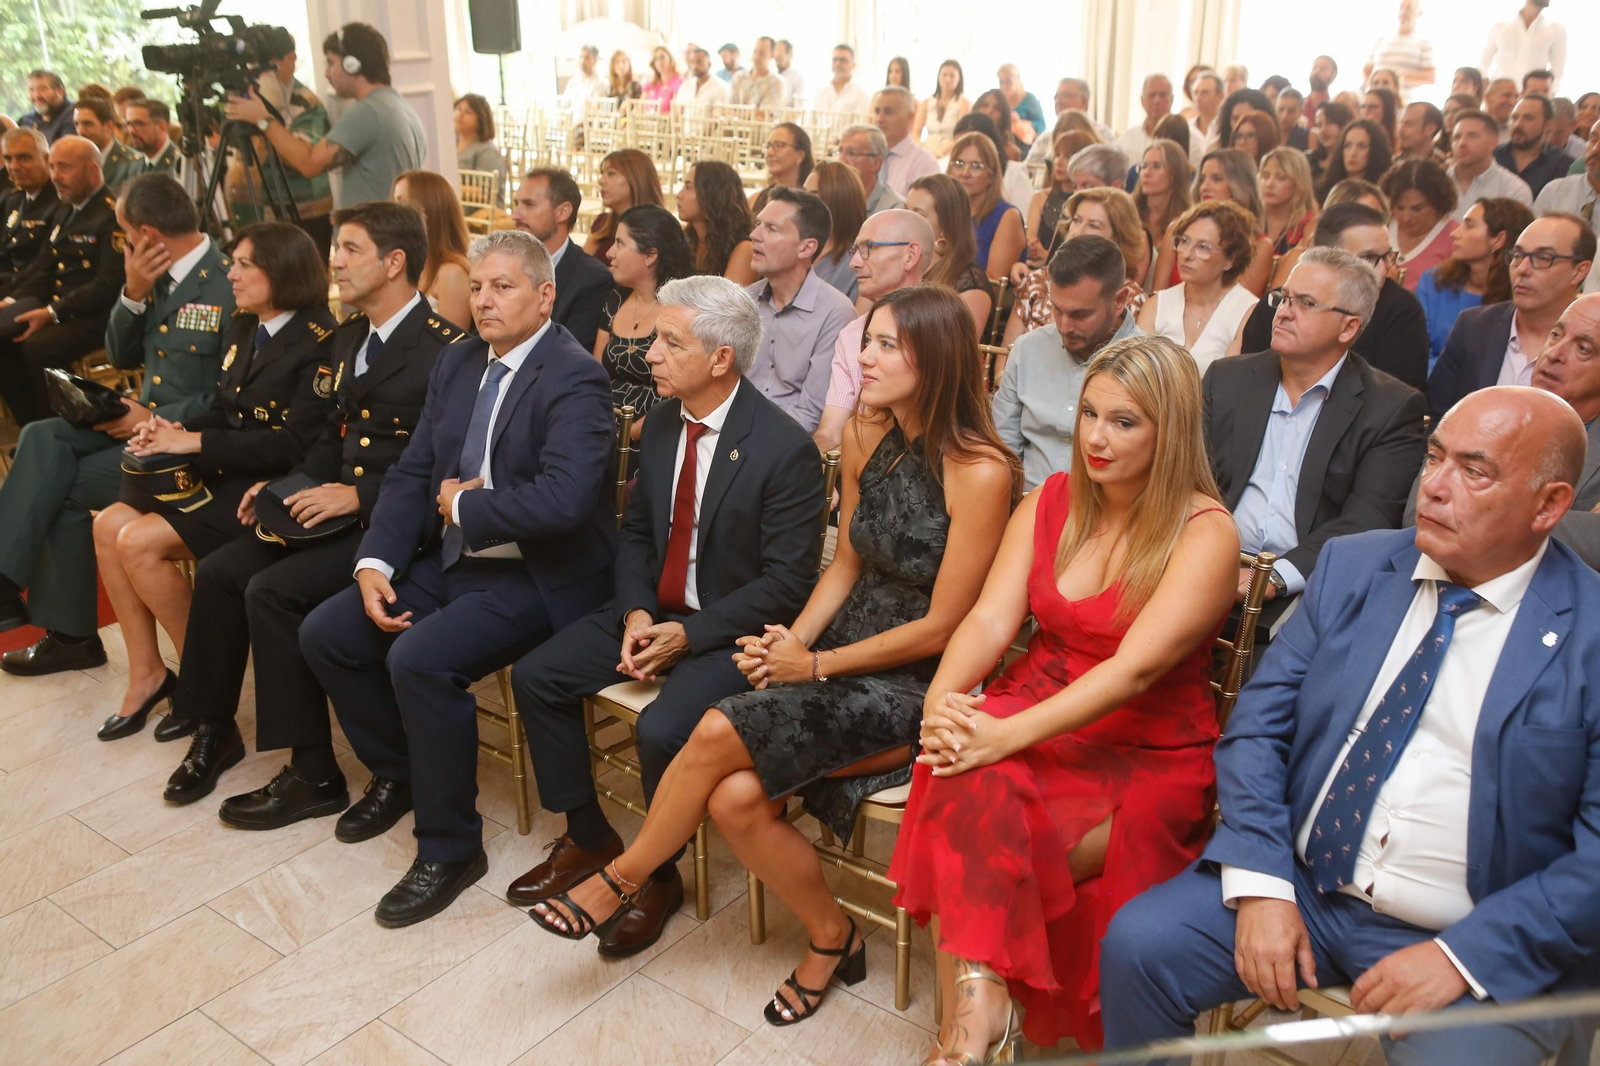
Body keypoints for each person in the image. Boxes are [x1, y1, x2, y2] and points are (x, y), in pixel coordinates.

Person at [1103, 383, 1598, 1065]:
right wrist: (1265, 885)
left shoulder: (1589, 635)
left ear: (1550, 505)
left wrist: (1461, 956)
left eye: (1474, 471)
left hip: (1477, 928)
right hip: (1304, 883)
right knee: (1140, 946)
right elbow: (1257, 731)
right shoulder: (1357, 566)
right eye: (1434, 458)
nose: (1436, 486)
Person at [893, 330, 1239, 1056]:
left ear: (1169, 430)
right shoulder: (1051, 499)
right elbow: (990, 618)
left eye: (1124, 421)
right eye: (1090, 414)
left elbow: (1133, 672)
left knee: (969, 817)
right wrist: (942, 704)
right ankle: (978, 1011)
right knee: (950, 767)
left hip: (1143, 748)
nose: (1097, 439)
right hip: (1036, 702)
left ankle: (965, 1024)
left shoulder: (1205, 532)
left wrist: (999, 735)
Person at [300, 230, 616, 928]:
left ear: (545, 296)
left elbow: (565, 500)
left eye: (503, 287)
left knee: (418, 660)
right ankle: (404, 771)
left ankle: (449, 847)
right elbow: (415, 471)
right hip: (452, 559)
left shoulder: (573, 375)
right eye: (476, 286)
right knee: (328, 633)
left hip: (535, 576)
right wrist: (376, 563)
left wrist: (467, 504)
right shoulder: (460, 360)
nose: (483, 300)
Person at [505, 274, 824, 956]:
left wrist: (689, 634)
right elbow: (639, 536)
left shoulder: (784, 451)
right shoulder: (660, 425)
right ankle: (591, 836)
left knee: (662, 729)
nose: (649, 354)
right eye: (654, 339)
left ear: (720, 359)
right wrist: (637, 613)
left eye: (669, 342)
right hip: (655, 611)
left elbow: (786, 584)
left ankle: (655, 878)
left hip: (725, 630)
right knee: (537, 677)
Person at [185, 202, 459, 828]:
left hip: (401, 524)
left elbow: (446, 464)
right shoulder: (348, 337)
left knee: (272, 592)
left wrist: (360, 496)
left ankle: (314, 771)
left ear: (395, 263)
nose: (333, 260)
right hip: (334, 508)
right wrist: (287, 486)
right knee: (224, 570)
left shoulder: (446, 349)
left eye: (350, 249)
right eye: (336, 248)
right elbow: (327, 441)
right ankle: (211, 724)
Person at [97, 220, 335, 763]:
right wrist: (168, 428)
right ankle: (150, 674)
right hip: (223, 470)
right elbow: (228, 410)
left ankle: (200, 691)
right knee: (107, 524)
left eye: (244, 264)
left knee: (136, 541)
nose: (231, 272)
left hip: (266, 485)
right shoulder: (247, 325)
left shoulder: (320, 339)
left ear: (283, 272)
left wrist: (195, 442)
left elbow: (292, 444)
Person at [0, 174, 231, 674]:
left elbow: (236, 394)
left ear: (147, 233)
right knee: (41, 434)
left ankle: (71, 635)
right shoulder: (153, 276)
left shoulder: (228, 281)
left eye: (125, 233)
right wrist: (131, 292)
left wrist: (158, 417)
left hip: (182, 442)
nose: (124, 244)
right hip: (136, 424)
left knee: (59, 486)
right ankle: (6, 586)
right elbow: (120, 354)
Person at [1207, 246, 1427, 638]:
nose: (1285, 311)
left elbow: (1368, 520)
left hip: (1308, 588)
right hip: (1209, 565)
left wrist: (1272, 577)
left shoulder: (1391, 408)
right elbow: (1188, 478)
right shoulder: (1226, 379)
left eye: (1306, 303)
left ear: (1348, 328)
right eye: (1283, 298)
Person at [223, 22, 426, 212]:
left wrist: (263, 120)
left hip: (372, 240)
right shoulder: (398, 105)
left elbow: (310, 164)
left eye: (330, 63)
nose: (327, 73)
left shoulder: (369, 112)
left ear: (352, 65)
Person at [996, 235, 1144, 490]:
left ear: (1120, 300)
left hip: (1108, 517)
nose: (1064, 326)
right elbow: (1002, 446)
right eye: (1057, 309)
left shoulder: (1151, 366)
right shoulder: (1029, 348)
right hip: (1024, 506)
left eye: (1080, 314)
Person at [0, 136, 124, 426]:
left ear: (93, 171)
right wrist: (9, 302)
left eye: (64, 168)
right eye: (53, 167)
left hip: (98, 314)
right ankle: (30, 426)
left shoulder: (112, 213)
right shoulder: (67, 209)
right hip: (62, 308)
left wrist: (52, 313)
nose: (55, 176)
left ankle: (60, 427)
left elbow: (108, 283)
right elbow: (43, 268)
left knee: (37, 346)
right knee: (4, 341)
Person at [1428, 213, 1594, 418]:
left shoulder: (1591, 344)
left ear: (1579, 271)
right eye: (1517, 256)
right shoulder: (1473, 327)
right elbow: (1437, 416)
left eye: (1543, 258)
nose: (1522, 269)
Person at [814, 208, 935, 453]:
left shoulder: (940, 330)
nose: (854, 262)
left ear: (910, 256)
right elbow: (830, 433)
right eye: (855, 250)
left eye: (869, 248)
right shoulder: (851, 335)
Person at [745, 187, 858, 433]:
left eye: (771, 229)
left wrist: (751, 443)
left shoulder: (835, 313)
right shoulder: (745, 300)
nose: (754, 235)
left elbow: (811, 413)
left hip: (787, 444)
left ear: (806, 248)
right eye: (758, 224)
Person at [1006, 187, 1148, 345]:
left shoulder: (1130, 298)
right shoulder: (1036, 281)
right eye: (1076, 220)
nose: (1077, 231)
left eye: (1093, 225)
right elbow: (1006, 356)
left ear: (1118, 238)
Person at [594, 203, 694, 428]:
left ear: (650, 255)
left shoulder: (680, 310)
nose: (610, 252)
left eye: (620, 243)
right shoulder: (615, 300)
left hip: (659, 432)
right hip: (603, 424)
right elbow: (596, 374)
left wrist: (627, 436)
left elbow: (681, 392)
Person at [1138, 199, 1260, 372]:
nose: (1186, 254)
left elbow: (1231, 385)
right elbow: (1138, 375)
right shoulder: (1157, 304)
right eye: (1185, 241)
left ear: (1230, 260)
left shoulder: (1247, 312)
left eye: (1203, 247)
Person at [1415, 197, 1536, 372]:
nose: (1454, 233)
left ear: (1498, 239)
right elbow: (1417, 354)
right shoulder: (1434, 282)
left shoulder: (1519, 292)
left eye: (1469, 225)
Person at [244, 31, 334, 249]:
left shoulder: (306, 102)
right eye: (256, 63)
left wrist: (262, 120)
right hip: (253, 215)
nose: (263, 71)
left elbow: (303, 160)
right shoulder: (244, 99)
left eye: (271, 63)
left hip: (304, 215)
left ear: (291, 59)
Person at [510, 167, 614, 352]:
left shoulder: (592, 280)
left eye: (529, 204)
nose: (515, 215)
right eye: (516, 203)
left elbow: (568, 356)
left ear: (563, 212)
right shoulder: (503, 265)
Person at [1530, 294, 1600, 566]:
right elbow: (1418, 512)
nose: (1554, 353)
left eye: (1582, 348)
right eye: (1556, 334)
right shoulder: (1485, 410)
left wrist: (1479, 513)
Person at [1153, 149, 1273, 297]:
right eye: (1202, 179)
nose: (1204, 187)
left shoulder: (1260, 245)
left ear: (1240, 185)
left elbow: (1237, 303)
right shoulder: (1176, 230)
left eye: (1216, 179)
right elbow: (1157, 294)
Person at [906, 173, 994, 337]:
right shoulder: (899, 263)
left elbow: (959, 354)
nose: (905, 219)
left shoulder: (971, 285)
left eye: (918, 213)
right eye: (905, 210)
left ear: (947, 224)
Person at [391, 169, 471, 328]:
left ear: (429, 210)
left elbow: (451, 347)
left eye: (401, 204)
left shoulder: (451, 273)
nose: (392, 214)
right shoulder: (408, 264)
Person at [1533, 122, 1599, 294]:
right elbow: (1531, 247)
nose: (1596, 149)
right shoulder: (1556, 191)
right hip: (1549, 291)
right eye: (1593, 139)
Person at [948, 131, 1024, 279]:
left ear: (991, 176)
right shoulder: (942, 211)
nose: (965, 173)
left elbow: (992, 286)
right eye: (958, 164)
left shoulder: (1007, 217)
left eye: (976, 166)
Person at [1382, 158, 1460, 291]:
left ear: (1438, 203)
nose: (1406, 218)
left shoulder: (1456, 237)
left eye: (1417, 209)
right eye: (1400, 208)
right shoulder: (1381, 227)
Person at [678, 161, 757, 285]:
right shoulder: (688, 240)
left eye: (688, 187)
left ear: (712, 194)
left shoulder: (743, 248)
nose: (679, 195)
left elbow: (725, 302)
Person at [0, 129, 58, 291]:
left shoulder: (60, 202)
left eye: (24, 158)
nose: (14, 166)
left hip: (35, 289)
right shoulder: (13, 199)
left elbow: (44, 265)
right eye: (8, 159)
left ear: (47, 159)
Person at [1448, 110, 1534, 219]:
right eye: (1457, 137)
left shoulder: (1513, 190)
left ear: (1493, 143)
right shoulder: (1435, 184)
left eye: (1472, 136)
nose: (1462, 143)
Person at [583, 148, 664, 264]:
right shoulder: (602, 225)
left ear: (636, 179)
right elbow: (580, 270)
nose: (601, 181)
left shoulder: (656, 232)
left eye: (611, 173)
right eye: (602, 174)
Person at [802, 162, 867, 302]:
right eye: (803, 194)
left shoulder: (858, 262)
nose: (802, 204)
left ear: (839, 201)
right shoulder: (795, 245)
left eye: (813, 196)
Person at [1134, 139, 1192, 285]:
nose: (1146, 173)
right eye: (1143, 166)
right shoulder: (1127, 214)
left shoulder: (1188, 223)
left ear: (1175, 173)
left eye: (1157, 166)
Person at [1259, 148, 1319, 288]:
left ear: (1299, 183)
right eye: (1265, 176)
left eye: (1281, 178)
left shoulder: (1310, 223)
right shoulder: (1251, 218)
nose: (1269, 184)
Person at [1495, 94, 1575, 199]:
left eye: (1528, 118)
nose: (1518, 124)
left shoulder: (1563, 164)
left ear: (1548, 125)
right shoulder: (1493, 156)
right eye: (1514, 118)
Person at [1022, 134, 1083, 271]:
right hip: (1034, 270)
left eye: (1067, 156)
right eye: (1057, 155)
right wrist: (1031, 247)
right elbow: (1030, 241)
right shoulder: (1040, 197)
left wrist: (1046, 255)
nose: (1059, 161)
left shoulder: (1083, 202)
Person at [1481, 0, 1568, 89]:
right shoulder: (1500, 26)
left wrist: (1549, 94)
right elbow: (1484, 62)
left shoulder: (1556, 29)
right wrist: (1485, 84)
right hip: (1501, 92)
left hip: (1533, 94)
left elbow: (1558, 72)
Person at [877, 87, 940, 198]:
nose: (880, 119)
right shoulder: (868, 155)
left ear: (910, 117)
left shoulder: (924, 163)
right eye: (877, 111)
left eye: (888, 112)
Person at [71, 97, 141, 193]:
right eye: (76, 124)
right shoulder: (73, 160)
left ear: (109, 126)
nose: (80, 131)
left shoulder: (132, 164)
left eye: (88, 124)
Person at [1317, 119, 1394, 202]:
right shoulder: (1326, 189)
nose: (1352, 153)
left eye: (1361, 146)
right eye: (1348, 146)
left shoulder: (1384, 192)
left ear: (1374, 150)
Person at [1365, 0, 1436, 89]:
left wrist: (1395, 77)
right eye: (1401, 7)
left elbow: (1430, 77)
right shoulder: (1381, 41)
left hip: (1405, 99)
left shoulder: (1424, 44)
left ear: (1419, 13)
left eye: (1408, 8)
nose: (1403, 12)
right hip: (1374, 97)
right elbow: (1366, 70)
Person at [838, 124, 903, 216]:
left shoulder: (892, 209)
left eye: (851, 153)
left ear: (876, 163)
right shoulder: (833, 196)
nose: (841, 160)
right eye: (840, 151)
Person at [750, 123, 814, 216]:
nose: (769, 153)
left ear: (800, 155)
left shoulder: (811, 204)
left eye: (779, 145)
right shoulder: (754, 201)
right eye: (768, 146)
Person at [1117, 75, 1176, 163]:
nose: (1157, 100)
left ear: (1172, 99)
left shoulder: (1191, 138)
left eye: (1162, 95)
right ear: (1142, 100)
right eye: (1152, 95)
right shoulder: (1127, 138)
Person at [918, 60, 970, 159]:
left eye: (952, 76)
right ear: (938, 77)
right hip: (926, 151)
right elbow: (915, 135)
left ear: (959, 78)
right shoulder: (926, 103)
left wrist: (941, 153)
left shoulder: (963, 103)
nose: (947, 79)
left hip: (951, 153)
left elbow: (962, 136)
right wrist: (923, 150)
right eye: (944, 75)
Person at [453, 94, 505, 192]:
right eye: (458, 109)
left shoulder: (488, 151)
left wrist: (449, 187)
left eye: (468, 112)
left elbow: (484, 191)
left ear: (481, 119)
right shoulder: (452, 143)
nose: (460, 115)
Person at [123, 99, 179, 180]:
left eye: (138, 124)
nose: (131, 131)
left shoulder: (177, 166)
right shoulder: (134, 164)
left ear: (161, 127)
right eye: (128, 124)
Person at [730, 37, 787, 118]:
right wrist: (752, 114)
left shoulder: (777, 83)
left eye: (761, 53)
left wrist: (736, 115)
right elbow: (727, 109)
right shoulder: (738, 78)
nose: (756, 57)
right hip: (733, 129)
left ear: (772, 55)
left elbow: (763, 115)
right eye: (755, 51)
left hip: (762, 131)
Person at [1306, 101, 1355, 190]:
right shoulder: (1309, 160)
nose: (1323, 130)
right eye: (1319, 125)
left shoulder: (1351, 162)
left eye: (1329, 123)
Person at [17, 70, 74, 144]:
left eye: (42, 89)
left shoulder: (74, 116)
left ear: (60, 91)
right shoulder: (26, 120)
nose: (36, 95)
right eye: (31, 90)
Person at [813, 44, 871, 116]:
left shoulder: (861, 93)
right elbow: (812, 121)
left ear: (854, 64)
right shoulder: (821, 91)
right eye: (835, 60)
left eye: (843, 60)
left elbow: (863, 123)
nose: (838, 64)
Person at [672, 45, 730, 110]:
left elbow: (719, 117)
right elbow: (678, 112)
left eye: (699, 62)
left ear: (709, 64)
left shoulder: (721, 88)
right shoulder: (686, 85)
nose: (694, 66)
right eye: (692, 62)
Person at [1187, 71, 1225, 168]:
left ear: (1220, 97)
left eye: (1205, 93)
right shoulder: (1187, 127)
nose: (1198, 98)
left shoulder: (1225, 129)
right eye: (1195, 92)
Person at [997, 64, 1045, 141]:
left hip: (1024, 145)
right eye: (1001, 82)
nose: (1004, 85)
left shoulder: (1030, 99)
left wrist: (1020, 123)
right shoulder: (997, 100)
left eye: (1008, 81)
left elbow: (1041, 125)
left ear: (1017, 79)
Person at [641, 46, 682, 110]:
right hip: (648, 119)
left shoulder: (679, 82)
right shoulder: (650, 84)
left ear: (670, 58)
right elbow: (640, 107)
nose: (659, 61)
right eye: (655, 59)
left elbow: (676, 112)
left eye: (662, 57)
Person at [1303, 55, 1338, 123]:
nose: (1316, 72)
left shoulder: (1335, 111)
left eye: (1323, 69)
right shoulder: (1298, 107)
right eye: (1315, 68)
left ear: (1333, 75)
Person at [774, 39, 805, 106]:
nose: (778, 61)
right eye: (776, 59)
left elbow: (799, 108)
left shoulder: (797, 77)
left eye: (780, 58)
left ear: (790, 54)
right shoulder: (772, 76)